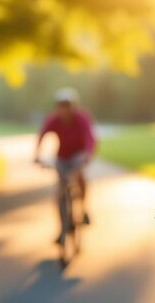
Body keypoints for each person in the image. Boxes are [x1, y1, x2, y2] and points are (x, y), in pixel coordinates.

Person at [35, 87, 96, 243]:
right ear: (57, 107)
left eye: (68, 105)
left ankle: (83, 209)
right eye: (61, 105)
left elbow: (89, 138)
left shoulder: (82, 118)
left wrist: (88, 154)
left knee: (79, 175)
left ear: (74, 106)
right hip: (62, 156)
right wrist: (37, 154)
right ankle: (62, 229)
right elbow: (42, 134)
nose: (65, 109)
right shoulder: (53, 119)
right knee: (60, 190)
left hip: (79, 154)